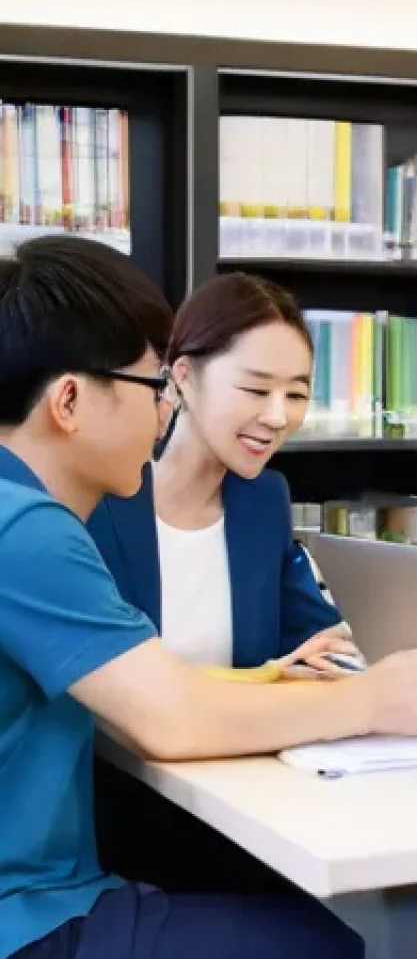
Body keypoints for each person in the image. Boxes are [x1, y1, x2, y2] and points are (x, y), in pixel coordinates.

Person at [0, 235, 417, 959]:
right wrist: (372, 699)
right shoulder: (30, 529)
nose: (161, 418)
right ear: (70, 400)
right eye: (153, 390)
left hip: (52, 886)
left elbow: (164, 685)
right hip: (29, 915)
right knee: (353, 946)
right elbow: (170, 715)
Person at [86, 271, 355, 673]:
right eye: (256, 391)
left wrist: (328, 653)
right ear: (183, 378)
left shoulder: (263, 499)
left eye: (296, 395)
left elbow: (316, 637)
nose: (278, 417)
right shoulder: (100, 499)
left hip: (251, 734)